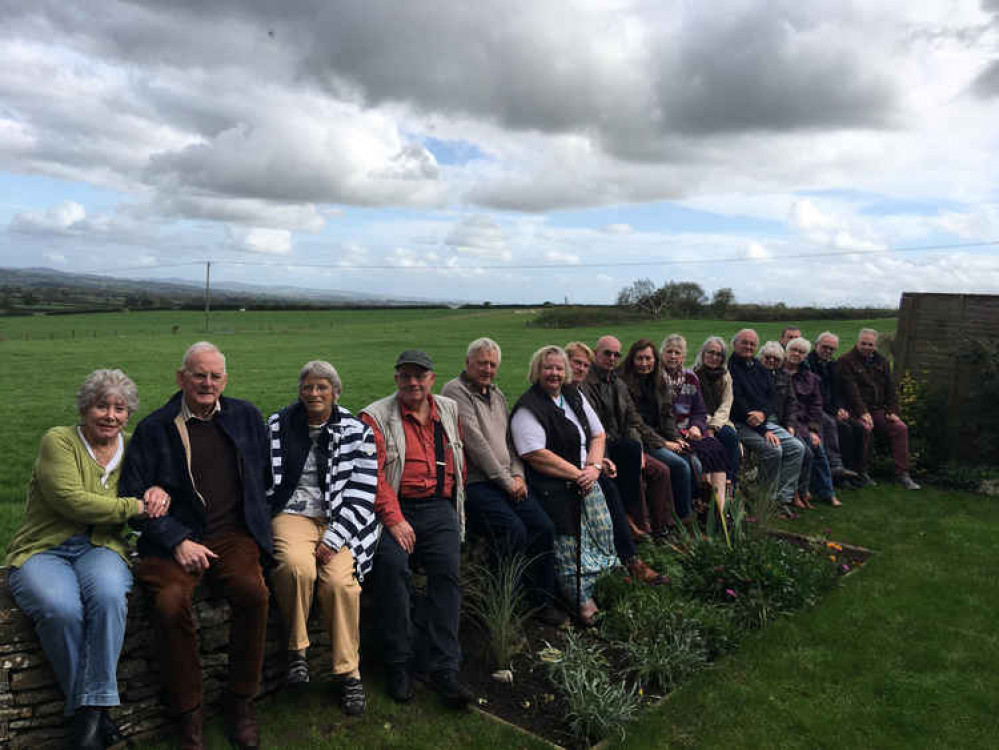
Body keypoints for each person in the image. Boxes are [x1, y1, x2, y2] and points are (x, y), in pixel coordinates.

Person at [6, 370, 169, 750]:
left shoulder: (132, 447)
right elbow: (72, 500)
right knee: (58, 608)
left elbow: (159, 481)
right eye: (101, 406)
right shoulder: (58, 441)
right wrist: (135, 506)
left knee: (111, 596)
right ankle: (94, 714)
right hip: (45, 549)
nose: (110, 415)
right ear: (84, 408)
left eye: (119, 408)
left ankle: (86, 720)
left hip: (101, 548)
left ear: (128, 414)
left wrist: (157, 489)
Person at [120, 342, 272, 750]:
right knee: (170, 603)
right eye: (198, 375)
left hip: (231, 535)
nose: (207, 383)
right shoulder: (155, 428)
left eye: (215, 376)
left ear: (226, 379)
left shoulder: (246, 417)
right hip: (172, 541)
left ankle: (241, 702)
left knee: (253, 593)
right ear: (180, 377)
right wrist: (175, 538)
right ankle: (188, 715)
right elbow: (132, 497)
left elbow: (265, 476)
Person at [360, 350, 473, 708]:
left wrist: (456, 509)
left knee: (447, 574)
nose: (413, 383)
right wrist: (393, 518)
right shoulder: (376, 416)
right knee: (392, 570)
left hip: (439, 508)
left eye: (420, 376)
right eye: (406, 376)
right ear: (396, 379)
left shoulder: (448, 410)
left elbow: (459, 460)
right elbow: (373, 475)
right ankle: (399, 663)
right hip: (394, 508)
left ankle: (445, 668)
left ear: (431, 379)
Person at [266, 360, 378, 715]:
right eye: (308, 387)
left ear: (336, 392)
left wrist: (336, 536)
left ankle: (349, 674)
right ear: (300, 391)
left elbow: (363, 492)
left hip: (339, 518)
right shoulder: (278, 424)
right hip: (292, 513)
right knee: (297, 568)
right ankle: (296, 650)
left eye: (322, 387)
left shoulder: (357, 431)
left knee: (340, 585)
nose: (314, 393)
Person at [440, 338, 565, 626]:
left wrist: (518, 474)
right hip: (476, 483)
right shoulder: (455, 392)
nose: (487, 369)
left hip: (507, 479)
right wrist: (507, 481)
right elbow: (476, 444)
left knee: (544, 527)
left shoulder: (496, 395)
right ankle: (502, 601)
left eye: (492, 364)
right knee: (512, 530)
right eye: (481, 363)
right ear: (467, 363)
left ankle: (540, 600)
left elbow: (510, 442)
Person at [511, 346, 619, 626]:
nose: (554, 373)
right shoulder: (529, 407)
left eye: (560, 368)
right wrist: (578, 474)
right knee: (568, 545)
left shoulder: (572, 395)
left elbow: (598, 434)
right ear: (537, 371)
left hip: (582, 479)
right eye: (548, 368)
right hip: (551, 487)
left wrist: (593, 468)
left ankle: (604, 587)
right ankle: (582, 603)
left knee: (601, 534)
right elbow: (534, 454)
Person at [564, 341, 666, 583]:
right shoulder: (572, 391)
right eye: (575, 363)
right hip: (572, 464)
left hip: (595, 454)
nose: (579, 368)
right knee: (608, 486)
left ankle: (637, 522)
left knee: (631, 450)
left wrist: (600, 460)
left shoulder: (580, 392)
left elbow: (603, 429)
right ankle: (629, 559)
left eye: (583, 364)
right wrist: (597, 462)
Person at [582, 336, 677, 542]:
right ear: (595, 353)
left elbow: (632, 420)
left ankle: (663, 528)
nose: (612, 358)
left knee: (661, 471)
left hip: (624, 444)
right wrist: (605, 459)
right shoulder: (587, 384)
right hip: (603, 450)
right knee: (633, 462)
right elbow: (594, 429)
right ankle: (641, 529)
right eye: (607, 353)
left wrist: (640, 449)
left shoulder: (617, 382)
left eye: (617, 354)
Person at [728, 329, 804, 510]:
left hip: (762, 421)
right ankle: (765, 499)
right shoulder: (730, 367)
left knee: (796, 447)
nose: (748, 346)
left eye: (752, 344)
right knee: (774, 450)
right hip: (738, 423)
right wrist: (763, 429)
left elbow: (772, 397)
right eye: (744, 342)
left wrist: (763, 414)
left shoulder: (758, 367)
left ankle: (781, 498)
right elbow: (736, 402)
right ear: (734, 344)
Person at [837, 329, 921, 490]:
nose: (866, 347)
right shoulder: (846, 361)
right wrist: (863, 413)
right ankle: (862, 471)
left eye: (870, 344)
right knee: (865, 428)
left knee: (900, 428)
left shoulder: (882, 361)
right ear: (857, 343)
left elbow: (890, 389)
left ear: (875, 346)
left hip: (877, 409)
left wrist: (893, 411)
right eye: (863, 343)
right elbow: (851, 390)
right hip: (855, 409)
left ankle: (902, 474)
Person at [659, 335, 732, 513]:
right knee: (697, 460)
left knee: (716, 449)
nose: (673, 356)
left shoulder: (690, 378)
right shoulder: (656, 378)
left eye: (678, 352)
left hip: (690, 430)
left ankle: (720, 510)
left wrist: (696, 425)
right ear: (662, 354)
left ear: (684, 357)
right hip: (669, 433)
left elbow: (699, 410)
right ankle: (702, 505)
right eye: (669, 352)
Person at [784, 338, 842, 507]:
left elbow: (817, 406)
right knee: (806, 451)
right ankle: (799, 493)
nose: (796, 354)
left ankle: (827, 492)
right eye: (793, 350)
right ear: (787, 351)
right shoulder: (779, 373)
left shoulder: (811, 378)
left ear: (805, 356)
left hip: (805, 423)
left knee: (819, 449)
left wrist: (814, 430)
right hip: (787, 422)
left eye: (801, 352)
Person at [757, 341, 811, 508]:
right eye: (768, 357)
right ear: (761, 358)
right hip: (762, 423)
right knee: (791, 448)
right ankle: (782, 497)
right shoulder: (755, 375)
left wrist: (790, 424)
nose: (771, 361)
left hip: (780, 423)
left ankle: (791, 495)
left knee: (806, 450)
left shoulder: (784, 376)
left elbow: (791, 403)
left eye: (776, 358)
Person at [807, 332, 865, 487]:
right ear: (816, 345)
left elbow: (838, 391)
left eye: (832, 349)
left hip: (833, 408)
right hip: (817, 408)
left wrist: (841, 407)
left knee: (859, 429)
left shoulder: (833, 365)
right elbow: (816, 395)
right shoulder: (808, 364)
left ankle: (856, 472)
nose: (828, 351)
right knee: (843, 429)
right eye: (825, 347)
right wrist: (834, 410)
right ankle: (838, 476)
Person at [692, 336, 740, 484]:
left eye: (718, 354)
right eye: (710, 352)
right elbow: (694, 405)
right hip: (699, 420)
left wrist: (714, 425)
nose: (714, 357)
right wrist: (707, 424)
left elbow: (726, 403)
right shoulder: (693, 374)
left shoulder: (725, 376)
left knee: (730, 436)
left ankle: (730, 481)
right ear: (703, 353)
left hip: (720, 420)